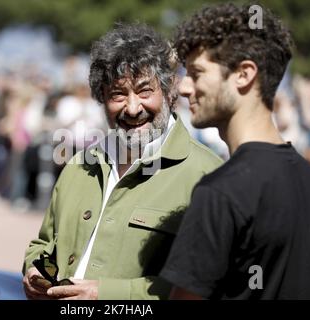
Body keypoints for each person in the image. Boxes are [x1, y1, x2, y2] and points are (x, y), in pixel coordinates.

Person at [22, 23, 223, 300]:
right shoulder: (79, 165)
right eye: (117, 94)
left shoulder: (207, 175)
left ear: (169, 92)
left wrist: (107, 295)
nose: (131, 108)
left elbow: (208, 283)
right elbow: (44, 244)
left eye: (144, 92)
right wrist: (35, 269)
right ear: (102, 99)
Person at [160, 3, 310, 299]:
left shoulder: (221, 191)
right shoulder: (309, 180)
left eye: (197, 73)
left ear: (244, 74)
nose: (185, 87)